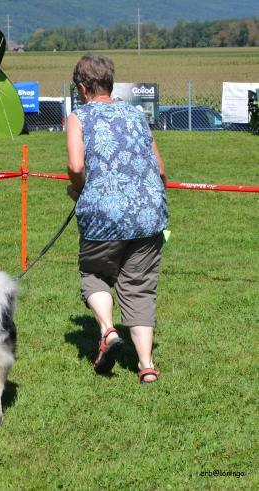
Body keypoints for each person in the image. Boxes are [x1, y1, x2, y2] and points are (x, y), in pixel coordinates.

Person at [66, 55, 168, 384]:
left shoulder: (78, 117)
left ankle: (108, 331)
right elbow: (161, 170)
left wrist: (78, 191)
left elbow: (77, 168)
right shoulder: (138, 114)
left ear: (82, 88)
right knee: (140, 288)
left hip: (103, 215)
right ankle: (146, 365)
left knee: (94, 274)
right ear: (110, 83)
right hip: (149, 214)